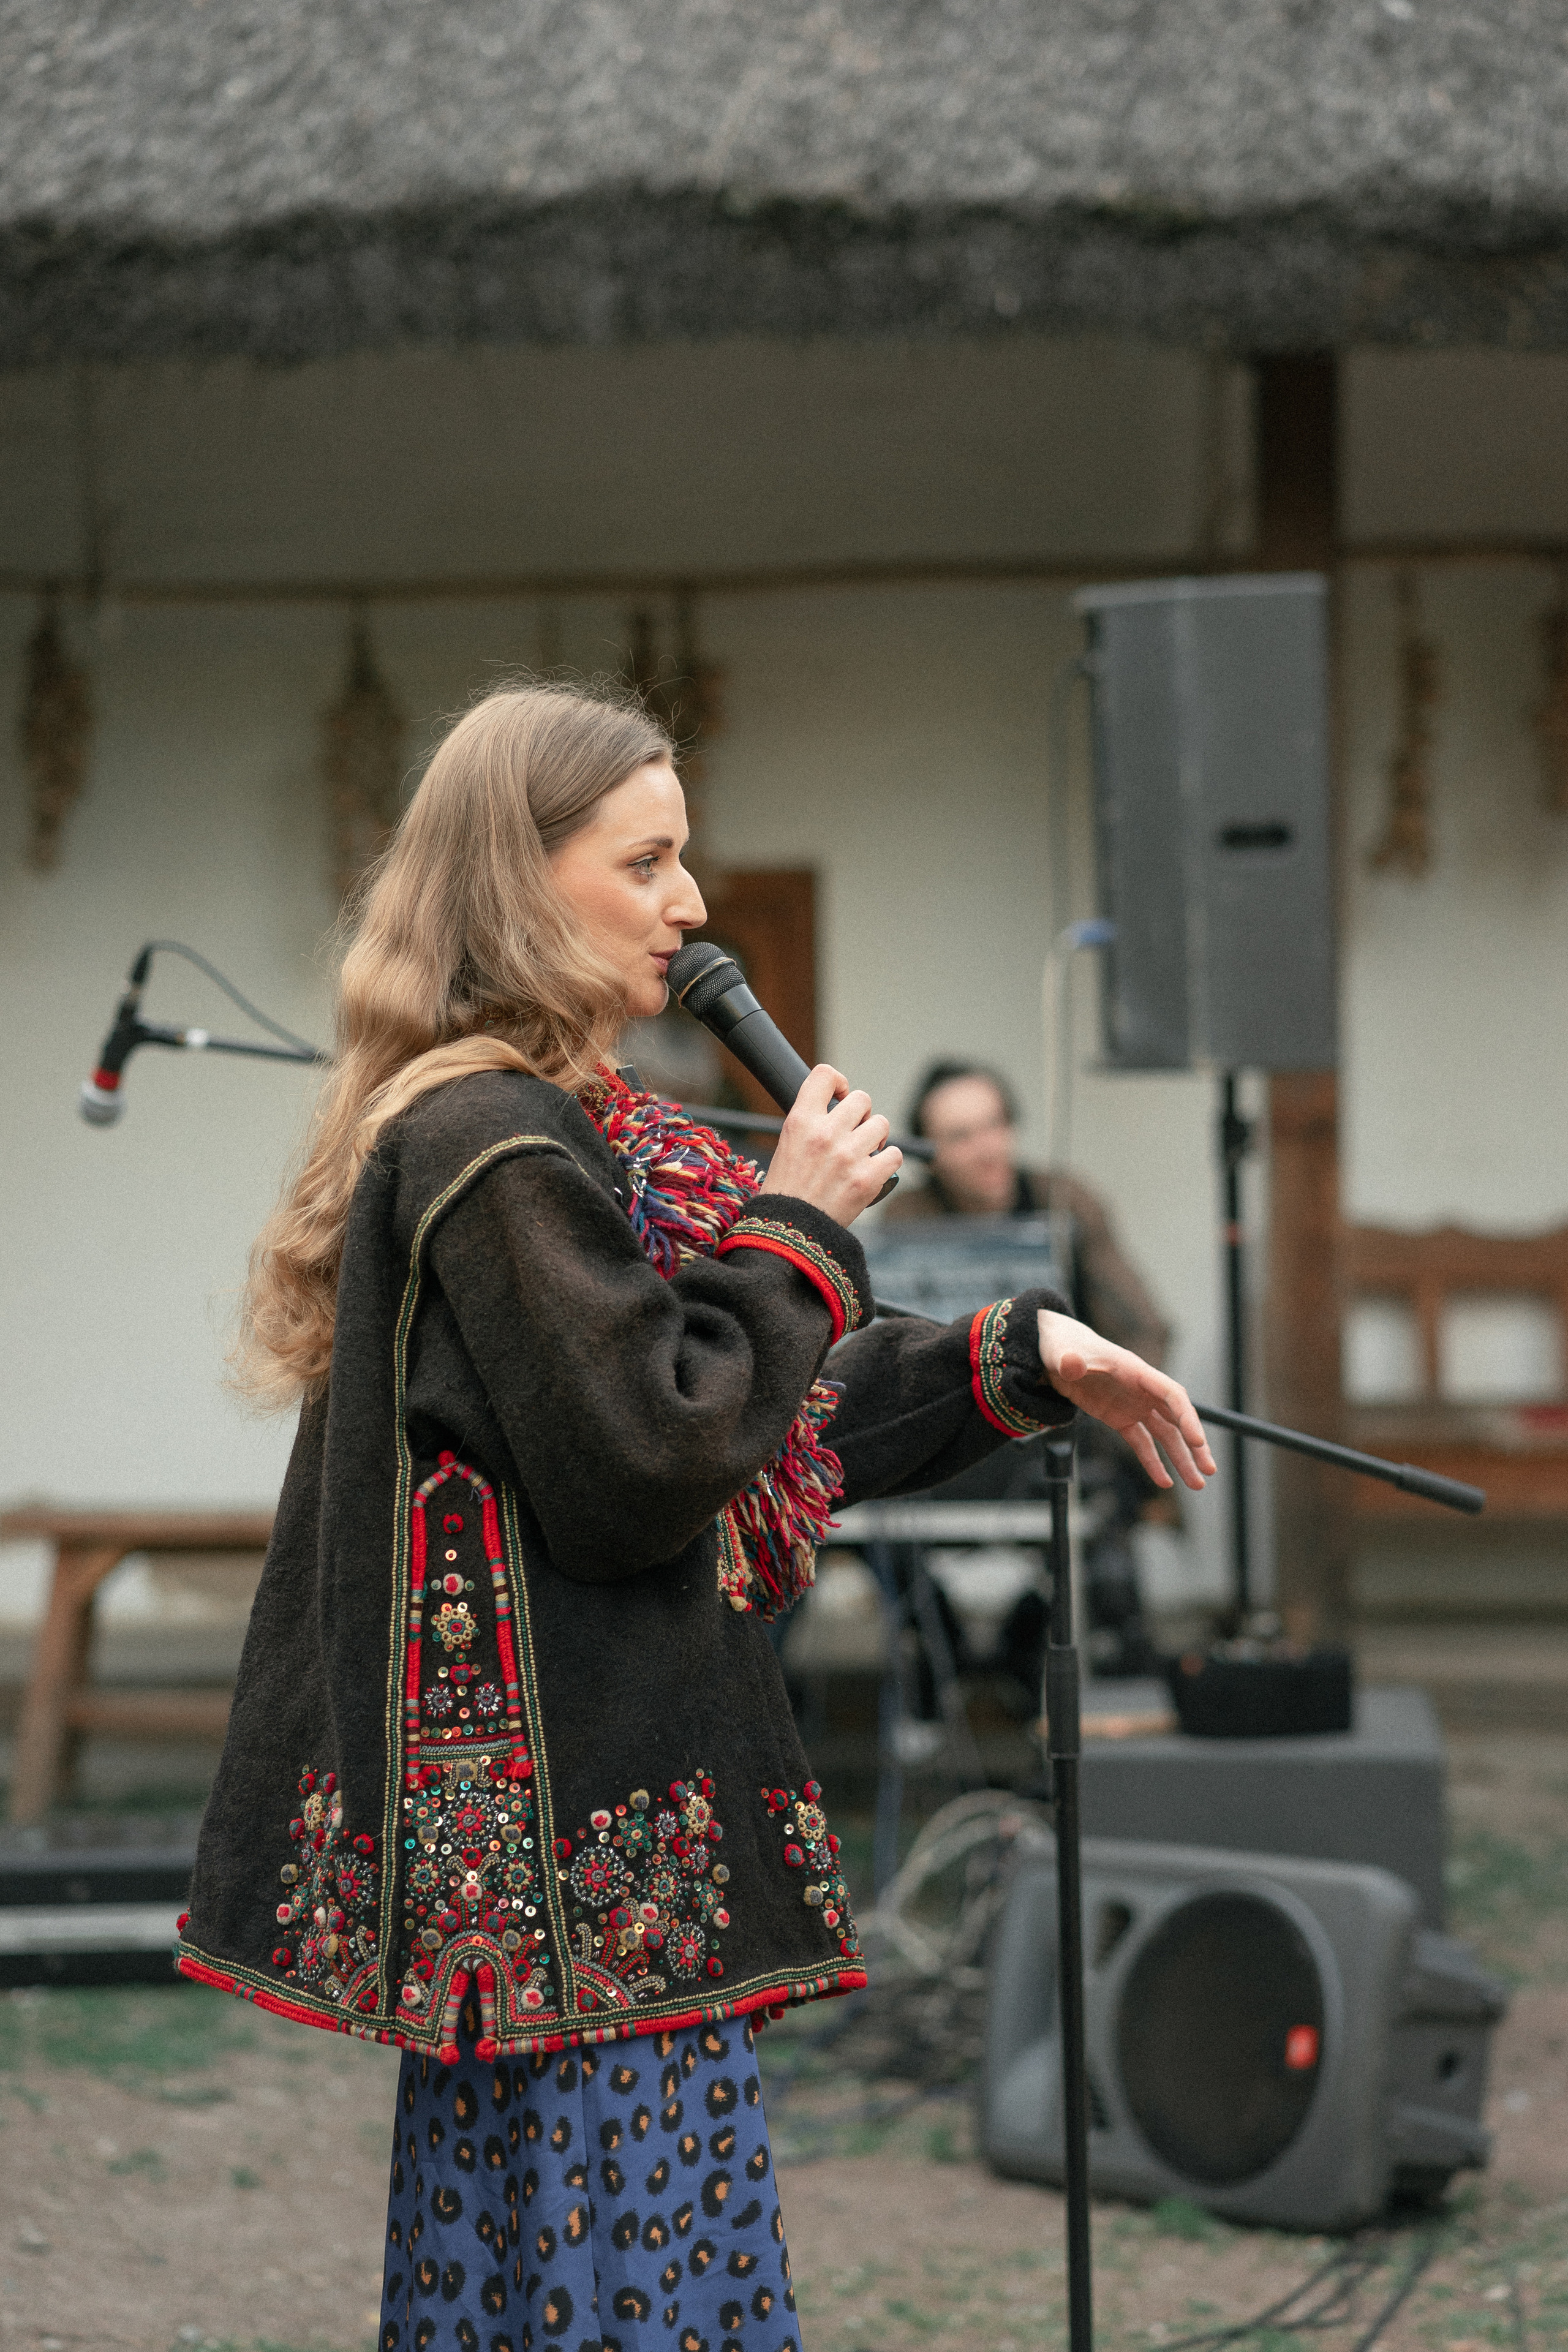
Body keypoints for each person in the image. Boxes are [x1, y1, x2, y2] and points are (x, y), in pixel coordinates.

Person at [175, 684, 1212, 2352]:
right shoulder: (486, 1140)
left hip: (610, 1835)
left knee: (606, 2280)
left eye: (686, 860)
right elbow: (662, 1441)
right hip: (569, 1871)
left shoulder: (584, 1134)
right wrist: (799, 1217)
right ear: (520, 880)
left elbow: (753, 1400)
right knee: (603, 2288)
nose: (691, 903)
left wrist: (1022, 1355)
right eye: (645, 861)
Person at [883, 1060, 1173, 1677]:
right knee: (866, 1499)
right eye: (960, 1136)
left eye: (994, 1126)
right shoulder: (905, 1220)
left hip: (1064, 1434)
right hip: (956, 1437)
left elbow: (1143, 1326)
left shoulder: (1067, 1203)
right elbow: (899, 1349)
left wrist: (1107, 1386)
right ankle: (936, 1661)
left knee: (1105, 1508)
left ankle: (1109, 1672)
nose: (985, 1148)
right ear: (929, 1152)